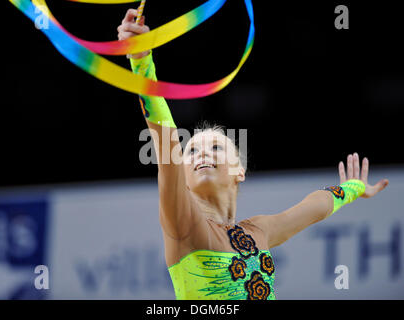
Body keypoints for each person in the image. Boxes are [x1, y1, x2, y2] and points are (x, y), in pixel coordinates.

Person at [117, 9, 389, 300]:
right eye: (192, 150)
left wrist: (354, 187)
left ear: (239, 171)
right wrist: (142, 62)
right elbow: (168, 146)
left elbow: (313, 207)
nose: (200, 154)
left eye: (216, 147)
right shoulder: (184, 225)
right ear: (182, 178)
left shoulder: (259, 231)